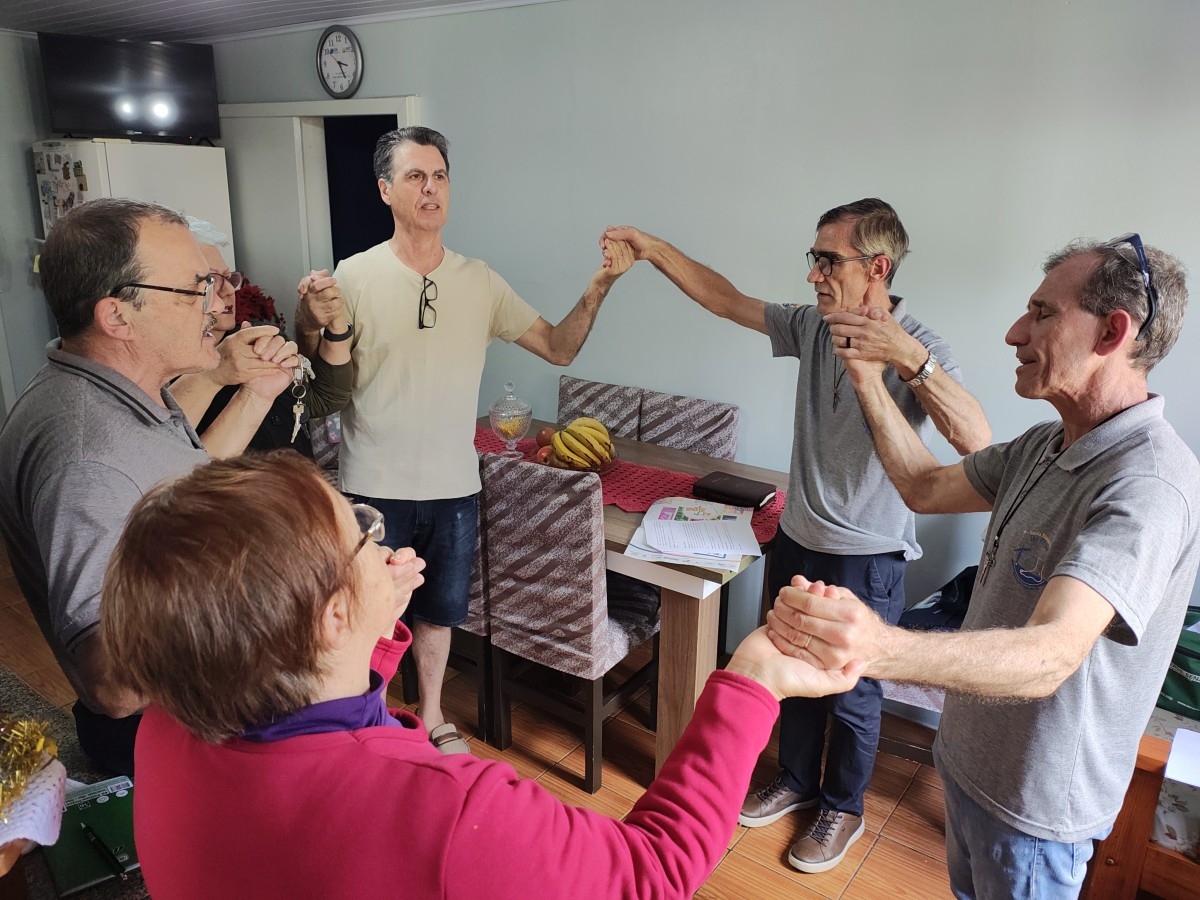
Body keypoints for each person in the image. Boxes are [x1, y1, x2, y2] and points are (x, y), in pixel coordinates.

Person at [99, 452, 864, 899]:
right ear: (326, 617)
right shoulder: (451, 813)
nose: (378, 534)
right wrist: (752, 679)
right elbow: (652, 874)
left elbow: (316, 721)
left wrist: (370, 625)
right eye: (362, 530)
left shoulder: (168, 724)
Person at [767, 235, 1199, 898]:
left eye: (1041, 313)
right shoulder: (1041, 447)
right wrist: (863, 380)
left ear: (1113, 331)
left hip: (1034, 813)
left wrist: (876, 645)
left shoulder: (1147, 484)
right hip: (969, 772)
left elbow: (1052, 654)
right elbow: (923, 487)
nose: (1014, 332)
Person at [603, 200, 990, 874]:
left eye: (826, 259)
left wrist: (909, 358)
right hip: (798, 534)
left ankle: (843, 804)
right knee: (790, 670)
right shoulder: (812, 327)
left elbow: (975, 441)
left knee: (854, 688)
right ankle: (796, 780)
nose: (813, 274)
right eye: (812, 258)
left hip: (870, 554)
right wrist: (653, 248)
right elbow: (725, 300)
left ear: (877, 267)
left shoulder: (923, 345)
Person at [294, 126, 633, 754]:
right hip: (373, 484)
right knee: (370, 615)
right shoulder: (355, 275)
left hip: (455, 485)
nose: (431, 188)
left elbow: (559, 347)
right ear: (385, 190)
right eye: (416, 176)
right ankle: (368, 725)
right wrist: (305, 318)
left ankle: (429, 714)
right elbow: (321, 376)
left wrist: (600, 286)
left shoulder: (481, 281)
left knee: (440, 611)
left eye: (440, 176)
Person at [0, 198, 299, 775]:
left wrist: (256, 393)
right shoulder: (87, 455)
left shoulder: (112, 390)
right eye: (195, 288)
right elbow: (112, 681)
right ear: (118, 317)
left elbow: (176, 483)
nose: (215, 303)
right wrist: (272, 604)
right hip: (165, 738)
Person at [169, 219, 353, 454]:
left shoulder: (256, 340)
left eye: (230, 278)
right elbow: (171, 463)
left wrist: (334, 321)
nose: (228, 291)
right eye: (212, 280)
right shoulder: (166, 370)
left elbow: (327, 397)